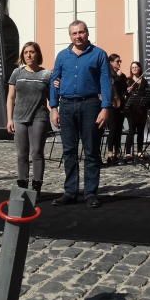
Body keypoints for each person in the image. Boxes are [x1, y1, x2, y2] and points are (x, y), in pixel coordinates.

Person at [49, 20, 112, 208]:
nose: (78, 36)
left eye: (81, 32)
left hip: (91, 105)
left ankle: (91, 193)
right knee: (69, 151)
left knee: (91, 151)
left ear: (87, 33)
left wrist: (106, 108)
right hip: (66, 106)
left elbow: (106, 82)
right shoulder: (62, 56)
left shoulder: (99, 54)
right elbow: (54, 81)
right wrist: (53, 108)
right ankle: (70, 191)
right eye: (74, 33)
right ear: (70, 36)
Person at [6, 41, 51, 192]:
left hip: (39, 117)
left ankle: (36, 187)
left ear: (37, 54)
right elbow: (10, 98)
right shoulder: (16, 73)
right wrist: (9, 119)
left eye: (32, 52)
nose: (29, 55)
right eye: (26, 52)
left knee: (37, 151)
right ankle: (23, 187)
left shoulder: (46, 74)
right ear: (22, 55)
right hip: (19, 118)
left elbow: (52, 99)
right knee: (21, 154)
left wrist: (57, 112)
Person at [105, 54, 129, 164]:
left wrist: (126, 89)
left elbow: (124, 90)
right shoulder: (108, 74)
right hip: (111, 105)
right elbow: (109, 86)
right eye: (117, 61)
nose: (119, 63)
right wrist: (117, 78)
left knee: (119, 129)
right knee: (113, 129)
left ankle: (117, 152)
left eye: (120, 61)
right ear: (111, 62)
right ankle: (110, 153)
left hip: (121, 104)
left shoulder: (122, 76)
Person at [124, 61, 147, 160]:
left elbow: (146, 94)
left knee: (141, 131)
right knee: (131, 131)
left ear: (139, 69)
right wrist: (127, 91)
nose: (134, 69)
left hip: (142, 109)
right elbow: (123, 94)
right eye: (132, 67)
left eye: (136, 67)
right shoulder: (128, 80)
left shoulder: (144, 81)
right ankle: (128, 152)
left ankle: (139, 151)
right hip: (131, 109)